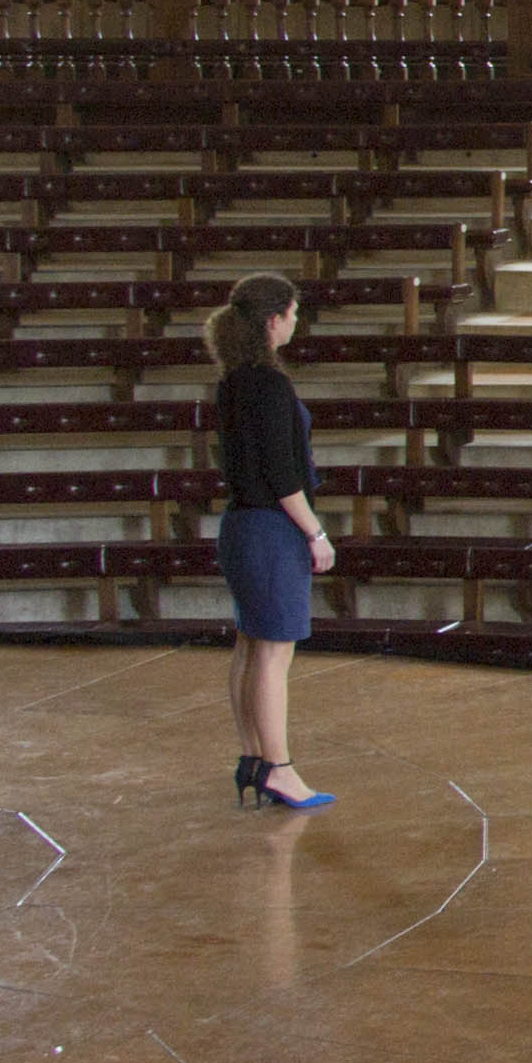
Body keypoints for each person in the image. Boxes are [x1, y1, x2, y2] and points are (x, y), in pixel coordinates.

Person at [209, 271, 337, 812]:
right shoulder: (270, 385)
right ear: (272, 320)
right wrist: (316, 533)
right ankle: (279, 768)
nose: (296, 321)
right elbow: (284, 478)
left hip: (241, 525)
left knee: (250, 645)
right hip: (271, 530)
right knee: (273, 654)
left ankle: (255, 758)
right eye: (292, 313)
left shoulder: (233, 381)